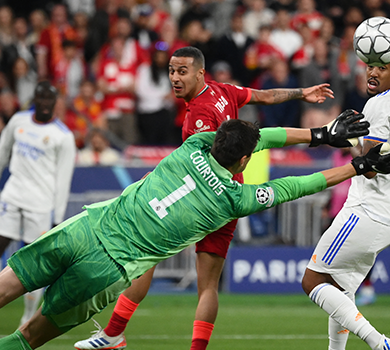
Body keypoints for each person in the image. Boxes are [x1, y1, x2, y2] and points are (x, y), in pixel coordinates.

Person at [0, 115, 390, 350]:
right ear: (244, 161)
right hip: (107, 268)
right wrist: (355, 164)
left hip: (82, 229)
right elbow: (295, 185)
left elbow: (263, 134)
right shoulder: (232, 199)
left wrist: (321, 132)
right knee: (29, 337)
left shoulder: (195, 143)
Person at [74, 45, 339, 350]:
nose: (175, 77)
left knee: (146, 257)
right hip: (230, 200)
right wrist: (301, 92)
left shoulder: (198, 116)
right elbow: (264, 96)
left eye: (182, 71)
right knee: (208, 286)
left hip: (201, 201)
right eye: (172, 71)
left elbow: (198, 166)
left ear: (200, 73)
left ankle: (113, 335)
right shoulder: (224, 90)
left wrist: (158, 180)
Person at [301, 46, 390, 350]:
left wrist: (352, 141)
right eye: (370, 65)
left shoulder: (377, 106)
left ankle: (380, 343)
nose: (373, 72)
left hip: (365, 211)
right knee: (341, 288)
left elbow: (367, 170)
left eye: (382, 67)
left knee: (313, 281)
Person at [0, 82, 76, 338]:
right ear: (34, 98)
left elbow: (63, 180)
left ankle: (27, 321)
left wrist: (57, 218)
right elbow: (1, 153)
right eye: (41, 97)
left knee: (35, 263)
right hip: (12, 196)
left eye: (50, 99)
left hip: (40, 204)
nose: (44, 103)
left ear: (55, 102)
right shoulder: (18, 121)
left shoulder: (63, 136)